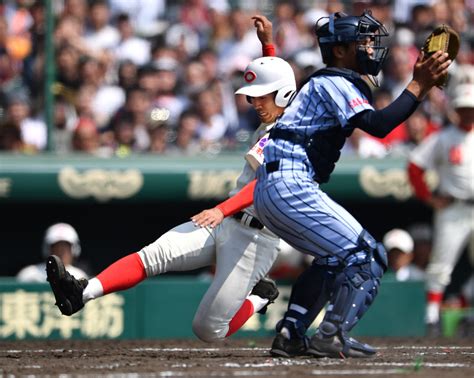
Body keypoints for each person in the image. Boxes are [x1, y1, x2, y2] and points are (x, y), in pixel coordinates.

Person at [46, 15, 297, 343]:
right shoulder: (277, 117)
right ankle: (82, 292)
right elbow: (276, 76)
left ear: (283, 95)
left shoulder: (289, 133)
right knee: (152, 255)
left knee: (207, 330)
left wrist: (220, 210)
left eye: (263, 95)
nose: (255, 101)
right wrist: (268, 44)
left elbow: (262, 185)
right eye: (254, 94)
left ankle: (259, 297)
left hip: (255, 240)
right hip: (227, 221)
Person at [250, 10, 452, 358]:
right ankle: (332, 333)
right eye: (363, 43)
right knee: (368, 254)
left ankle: (291, 333)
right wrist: (418, 85)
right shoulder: (333, 81)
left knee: (334, 259)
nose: (371, 50)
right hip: (289, 183)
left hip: (275, 185)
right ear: (341, 50)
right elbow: (378, 124)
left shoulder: (328, 81)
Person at [407, 83, 474, 336]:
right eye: (464, 109)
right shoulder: (443, 138)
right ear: (457, 110)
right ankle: (432, 318)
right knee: (441, 265)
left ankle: (468, 312)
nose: (469, 113)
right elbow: (414, 166)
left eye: (472, 109)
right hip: (452, 208)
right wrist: (429, 198)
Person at [17, 223, 88, 283]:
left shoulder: (80, 276)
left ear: (74, 250)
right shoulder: (29, 274)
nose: (61, 252)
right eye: (57, 247)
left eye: (65, 248)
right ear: (48, 249)